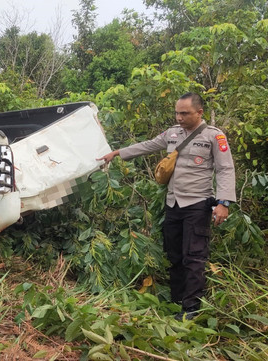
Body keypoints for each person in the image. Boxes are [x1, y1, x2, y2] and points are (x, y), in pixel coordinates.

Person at [97, 92, 236, 320]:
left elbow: (225, 169)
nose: (179, 117)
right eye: (177, 112)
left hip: (198, 204)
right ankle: (177, 301)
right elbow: (149, 145)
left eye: (185, 113)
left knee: (194, 257)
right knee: (174, 255)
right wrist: (118, 153)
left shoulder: (214, 136)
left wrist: (224, 202)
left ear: (200, 112)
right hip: (173, 203)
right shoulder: (173, 133)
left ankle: (191, 309)